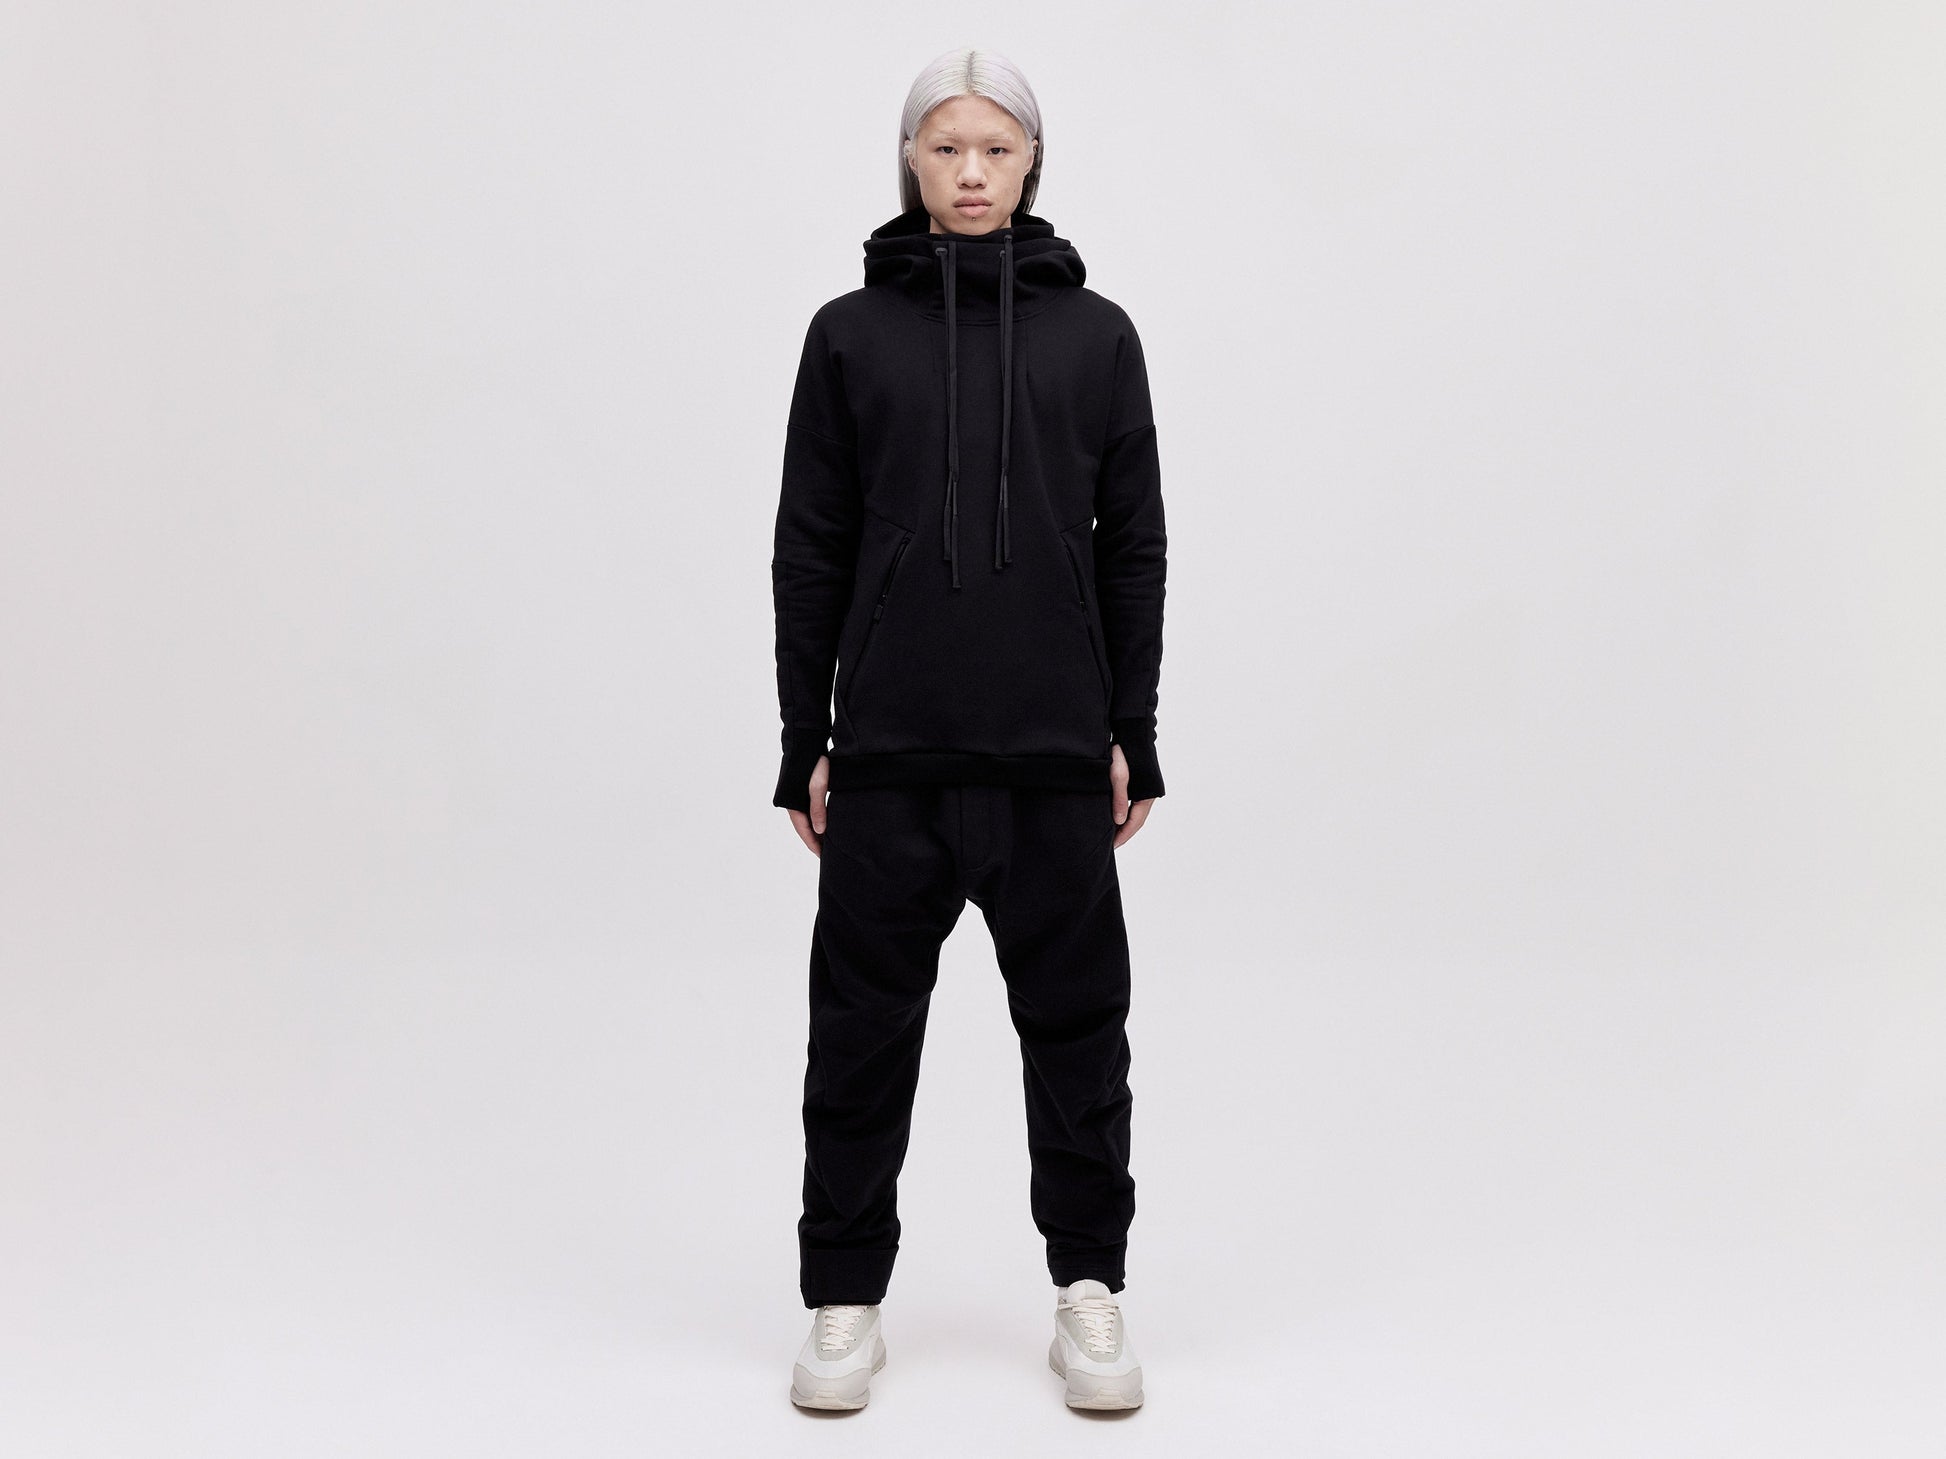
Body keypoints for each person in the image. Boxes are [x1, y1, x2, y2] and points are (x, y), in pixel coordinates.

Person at [772, 46, 1167, 1413]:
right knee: (856, 1044)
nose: (972, 172)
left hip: (1053, 758)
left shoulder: (1097, 337)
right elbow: (809, 547)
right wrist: (803, 738)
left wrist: (1131, 729)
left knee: (1080, 1040)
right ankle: (842, 1302)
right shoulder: (846, 335)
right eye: (946, 147)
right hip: (889, 758)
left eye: (996, 148)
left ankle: (1090, 1291)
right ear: (911, 161)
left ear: (1032, 161)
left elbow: (1132, 549)